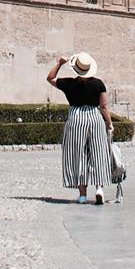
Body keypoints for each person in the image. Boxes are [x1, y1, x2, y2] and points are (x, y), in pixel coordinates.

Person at [47, 51, 113, 204]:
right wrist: (109, 123)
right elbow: (103, 106)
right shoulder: (98, 84)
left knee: (78, 155)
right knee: (99, 152)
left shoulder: (68, 83)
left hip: (76, 118)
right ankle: (99, 189)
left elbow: (50, 78)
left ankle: (82, 195)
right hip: (94, 118)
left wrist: (60, 63)